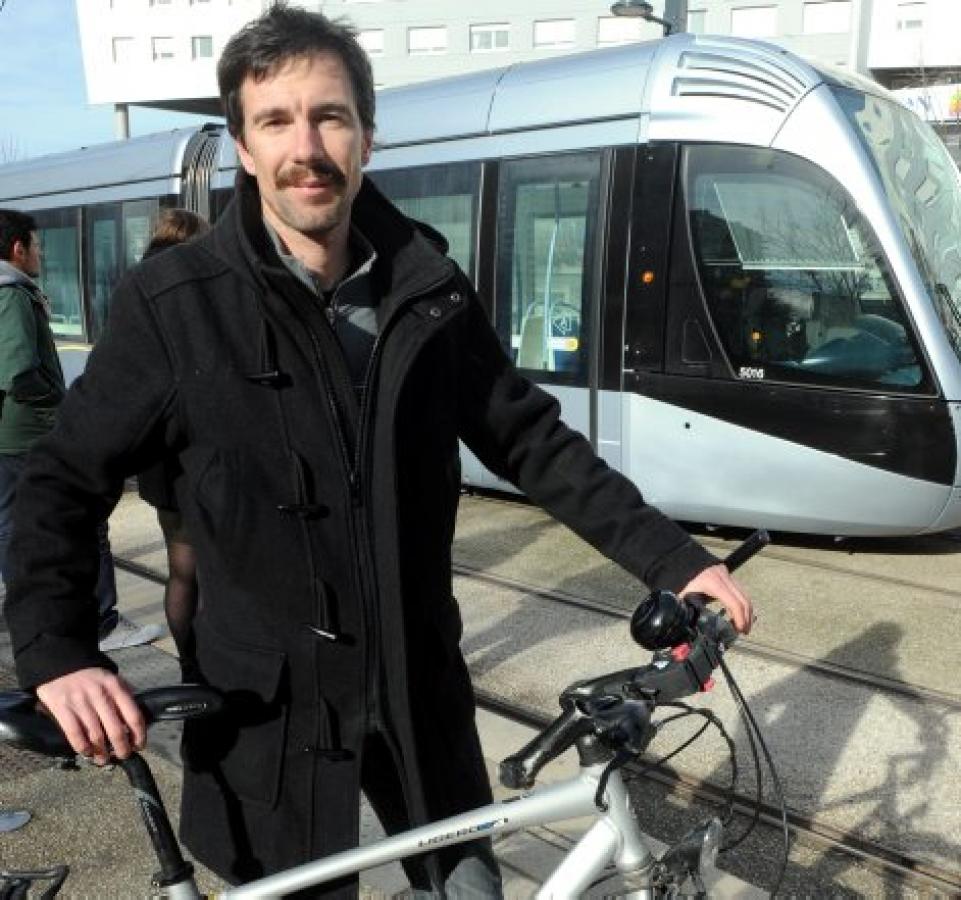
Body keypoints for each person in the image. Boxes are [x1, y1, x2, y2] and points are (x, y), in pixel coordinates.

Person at [3, 5, 754, 897]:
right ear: (242, 148)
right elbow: (60, 482)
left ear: (366, 134)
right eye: (274, 121)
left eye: (328, 116)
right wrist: (58, 650)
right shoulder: (176, 305)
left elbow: (529, 438)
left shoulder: (426, 285)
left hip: (413, 685)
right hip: (266, 710)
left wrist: (672, 561)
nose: (305, 146)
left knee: (470, 888)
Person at [0, 210, 158, 654]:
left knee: (11, 523)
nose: (41, 252)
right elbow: (17, 371)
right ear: (18, 249)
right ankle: (103, 620)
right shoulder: (13, 296)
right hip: (26, 431)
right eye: (36, 244)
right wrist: (55, 402)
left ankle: (29, 611)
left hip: (7, 433)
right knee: (82, 521)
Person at [135, 208, 210, 678]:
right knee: (217, 575)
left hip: (160, 459)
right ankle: (213, 666)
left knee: (181, 570)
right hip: (202, 452)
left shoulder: (139, 290)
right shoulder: (200, 288)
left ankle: (189, 666)